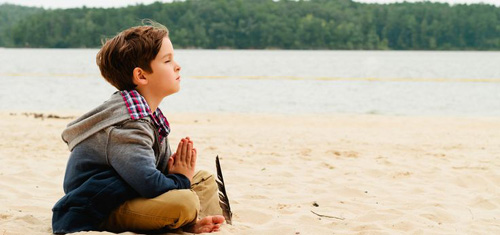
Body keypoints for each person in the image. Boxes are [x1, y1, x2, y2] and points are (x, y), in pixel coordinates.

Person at [52, 21, 225, 234]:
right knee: (185, 201)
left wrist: (180, 175)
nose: (177, 66)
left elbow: (153, 175)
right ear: (141, 76)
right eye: (167, 60)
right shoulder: (127, 126)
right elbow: (150, 184)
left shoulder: (147, 114)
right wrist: (180, 178)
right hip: (103, 206)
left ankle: (198, 223)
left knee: (204, 180)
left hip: (133, 191)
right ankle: (187, 219)